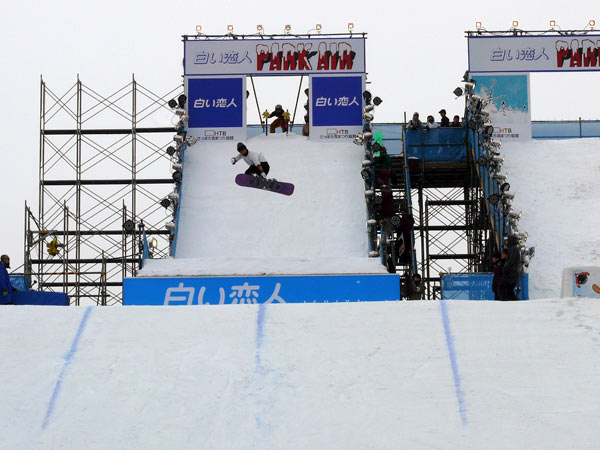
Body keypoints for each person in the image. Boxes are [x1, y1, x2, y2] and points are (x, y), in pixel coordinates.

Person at [499, 236, 521, 300]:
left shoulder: (513, 249)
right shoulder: (513, 248)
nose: (505, 242)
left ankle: (505, 301)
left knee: (502, 287)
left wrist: (505, 268)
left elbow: (511, 261)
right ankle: (513, 301)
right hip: (512, 272)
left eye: (507, 240)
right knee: (509, 289)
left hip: (511, 273)